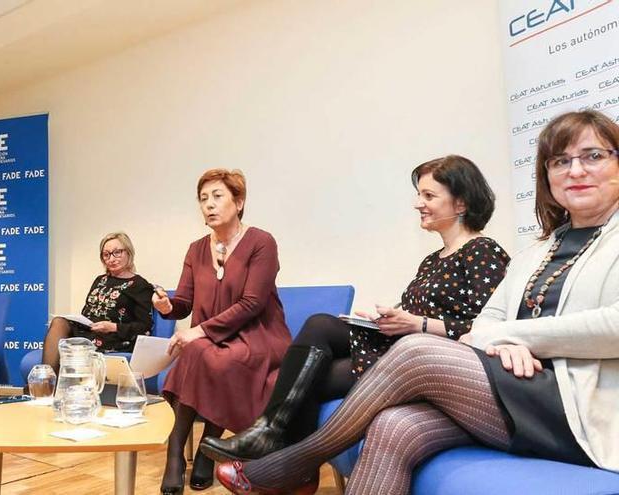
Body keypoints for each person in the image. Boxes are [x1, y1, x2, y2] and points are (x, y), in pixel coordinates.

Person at [215, 110, 619, 495]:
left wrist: (516, 337)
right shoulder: (541, 249)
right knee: (393, 425)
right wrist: (505, 341)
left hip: (586, 407)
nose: (576, 170)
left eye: (593, 156)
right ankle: (289, 454)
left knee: (415, 351)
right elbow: (485, 324)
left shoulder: (494, 250)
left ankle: (295, 459)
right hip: (521, 389)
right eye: (560, 161)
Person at [201, 155, 510, 464]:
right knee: (321, 325)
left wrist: (418, 325)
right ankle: (272, 439)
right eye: (419, 195)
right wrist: (383, 319)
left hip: (432, 362)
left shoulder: (483, 252)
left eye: (429, 195)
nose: (418, 203)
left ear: (460, 204)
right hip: (401, 346)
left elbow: (488, 329)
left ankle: (279, 450)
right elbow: (415, 315)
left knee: (309, 377)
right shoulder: (432, 260)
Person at [152, 169, 292, 494]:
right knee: (201, 352)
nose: (209, 205)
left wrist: (198, 331)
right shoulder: (196, 248)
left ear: (239, 202)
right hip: (212, 338)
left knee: (206, 353)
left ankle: (200, 451)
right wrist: (167, 308)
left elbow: (253, 303)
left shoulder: (261, 242)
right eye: (203, 199)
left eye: (217, 197)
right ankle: (182, 456)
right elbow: (183, 302)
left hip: (258, 336)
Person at [42, 232, 154, 371]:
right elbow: (87, 312)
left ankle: (47, 384)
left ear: (128, 253)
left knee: (69, 345)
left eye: (117, 252)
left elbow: (145, 327)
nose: (111, 259)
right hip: (88, 331)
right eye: (106, 255)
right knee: (58, 322)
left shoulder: (140, 285)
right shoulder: (100, 280)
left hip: (113, 336)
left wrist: (112, 327)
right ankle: (46, 381)